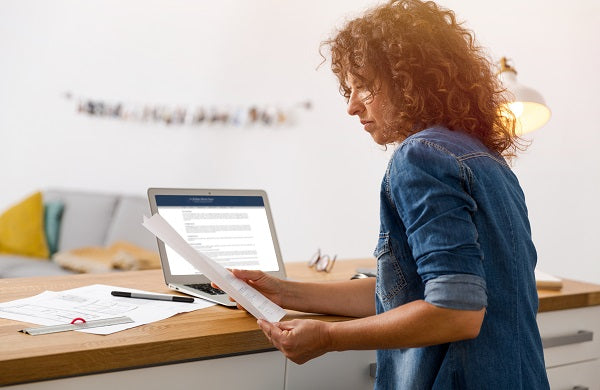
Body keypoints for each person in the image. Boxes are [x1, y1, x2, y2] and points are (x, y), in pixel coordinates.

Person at [225, 0, 550, 388]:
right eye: (349, 88)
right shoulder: (486, 158)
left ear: (410, 78)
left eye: (363, 85)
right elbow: (409, 291)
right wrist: (284, 291)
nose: (350, 106)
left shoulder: (421, 157)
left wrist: (328, 338)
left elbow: (455, 311)